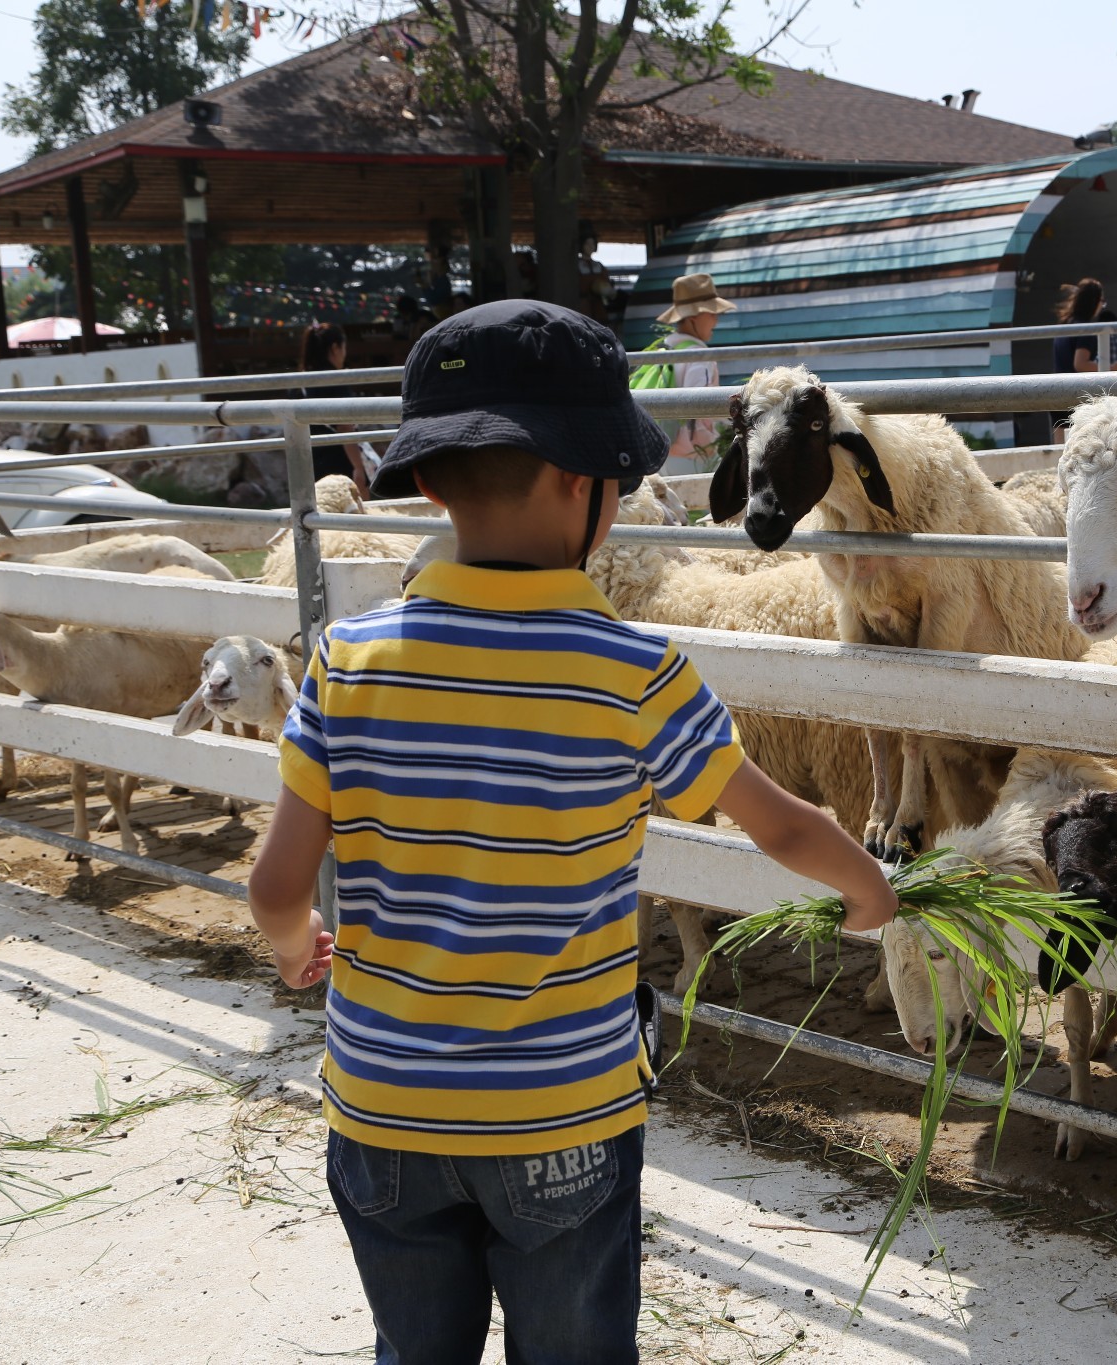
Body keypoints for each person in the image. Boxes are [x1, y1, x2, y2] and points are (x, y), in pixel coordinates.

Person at [245, 298, 897, 1365]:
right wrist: (868, 892)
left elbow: (277, 889)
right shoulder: (635, 675)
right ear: (577, 484)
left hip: (381, 1111)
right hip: (561, 1116)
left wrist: (290, 950)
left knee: (414, 1350)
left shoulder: (347, 661)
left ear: (428, 478)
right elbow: (783, 829)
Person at [637, 272, 734, 476]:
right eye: (711, 313)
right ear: (693, 318)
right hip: (691, 458)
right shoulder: (700, 357)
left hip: (660, 456)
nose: (716, 320)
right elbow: (701, 413)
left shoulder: (663, 349)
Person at [294, 323, 371, 494]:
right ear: (335, 348)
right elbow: (345, 427)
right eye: (344, 347)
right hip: (340, 462)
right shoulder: (335, 381)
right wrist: (358, 468)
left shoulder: (300, 382)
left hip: (310, 463)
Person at [1051, 278, 1117, 374]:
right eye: (1102, 301)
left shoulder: (1065, 325)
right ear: (1094, 301)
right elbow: (1081, 365)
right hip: (1077, 388)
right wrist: (1112, 368)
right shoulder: (1086, 330)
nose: (1102, 306)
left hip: (1061, 386)